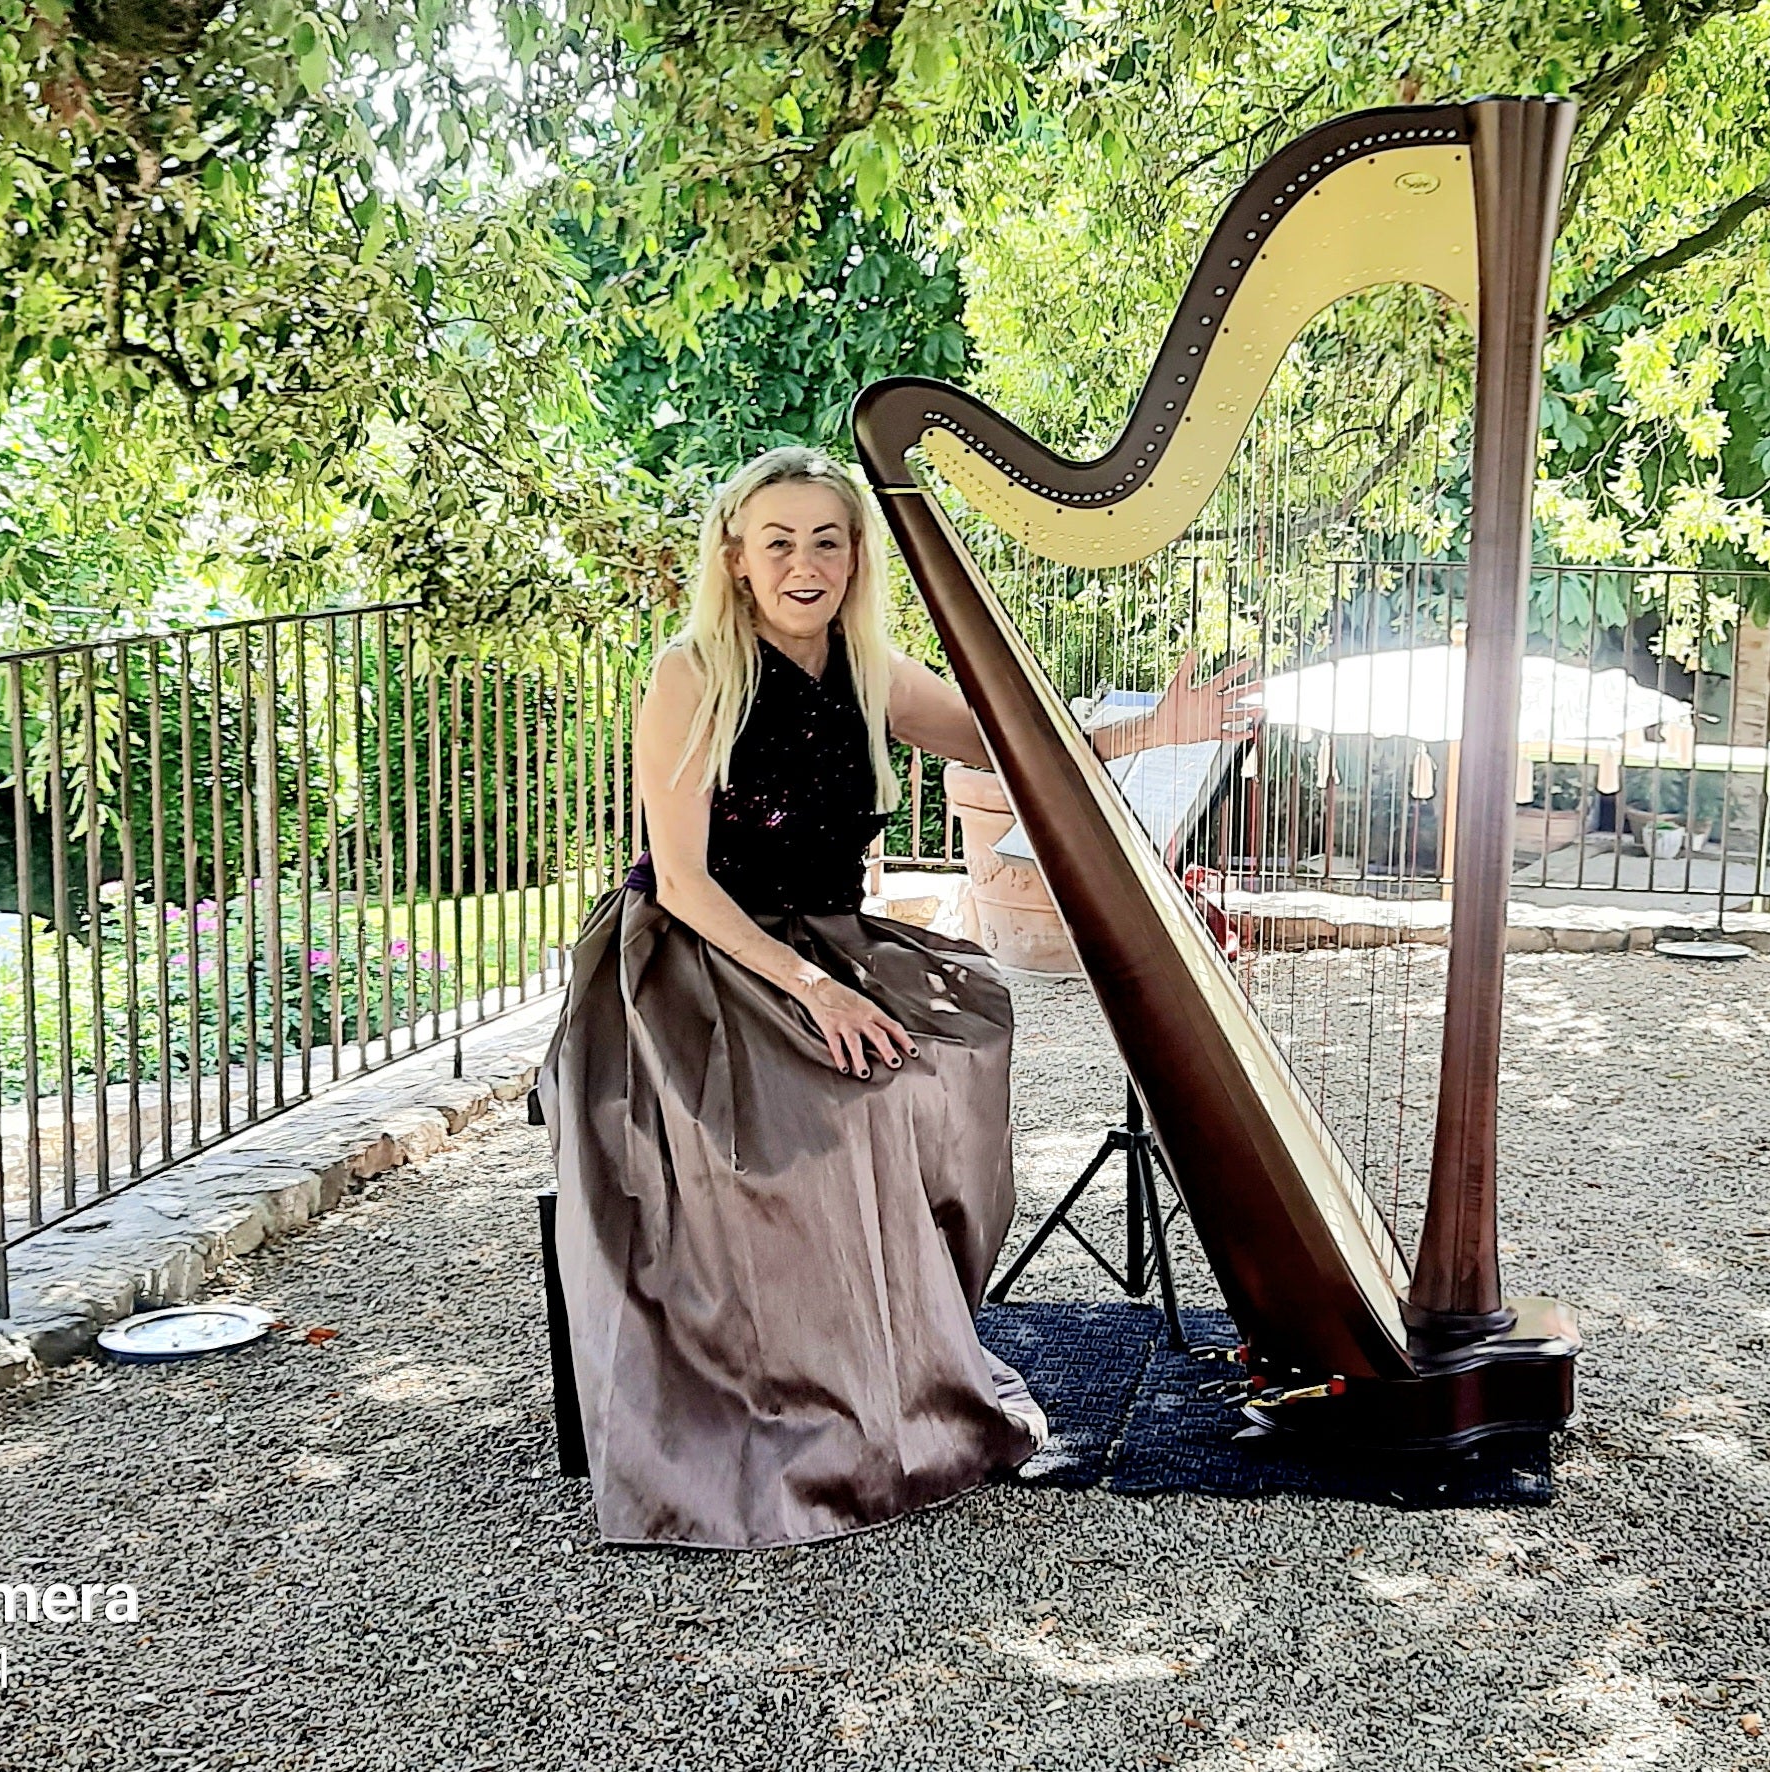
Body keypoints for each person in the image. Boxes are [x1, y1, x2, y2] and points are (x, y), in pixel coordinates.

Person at [534, 445, 1252, 1550]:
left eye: (828, 537)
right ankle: (811, 1399)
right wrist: (815, 988)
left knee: (958, 1046)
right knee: (836, 1113)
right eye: (777, 539)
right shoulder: (691, 670)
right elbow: (679, 881)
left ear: (857, 554)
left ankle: (906, 1353)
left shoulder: (868, 663)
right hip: (691, 957)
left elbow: (1016, 746)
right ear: (734, 556)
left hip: (824, 938)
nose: (803, 560)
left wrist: (1150, 730)